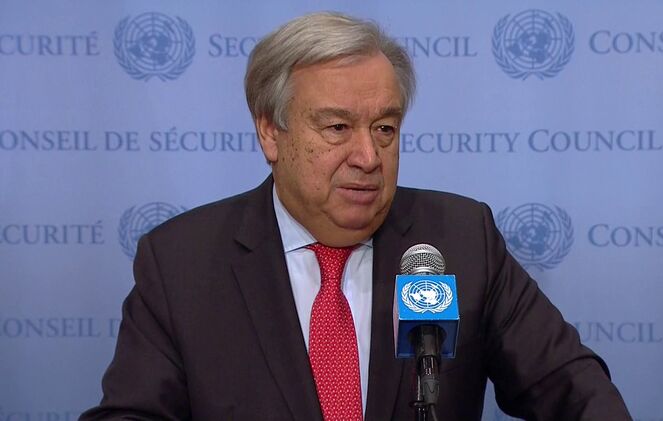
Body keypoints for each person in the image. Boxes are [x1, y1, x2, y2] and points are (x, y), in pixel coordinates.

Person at [81, 12, 632, 420]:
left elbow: (570, 386)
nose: (368, 157)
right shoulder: (182, 263)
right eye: (338, 128)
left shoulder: (461, 239)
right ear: (271, 132)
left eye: (385, 129)